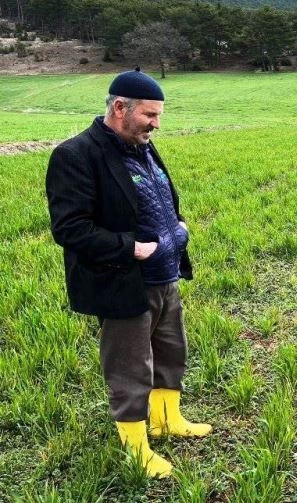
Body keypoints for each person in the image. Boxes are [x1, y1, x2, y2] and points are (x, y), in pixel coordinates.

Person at [45, 69, 211, 479]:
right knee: (130, 366)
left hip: (165, 276)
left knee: (171, 352)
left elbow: (160, 200)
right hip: (122, 281)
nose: (156, 124)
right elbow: (69, 228)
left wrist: (179, 228)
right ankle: (136, 447)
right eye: (150, 115)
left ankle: (166, 419)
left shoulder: (143, 147)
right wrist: (130, 247)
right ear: (120, 108)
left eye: (158, 116)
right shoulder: (76, 155)